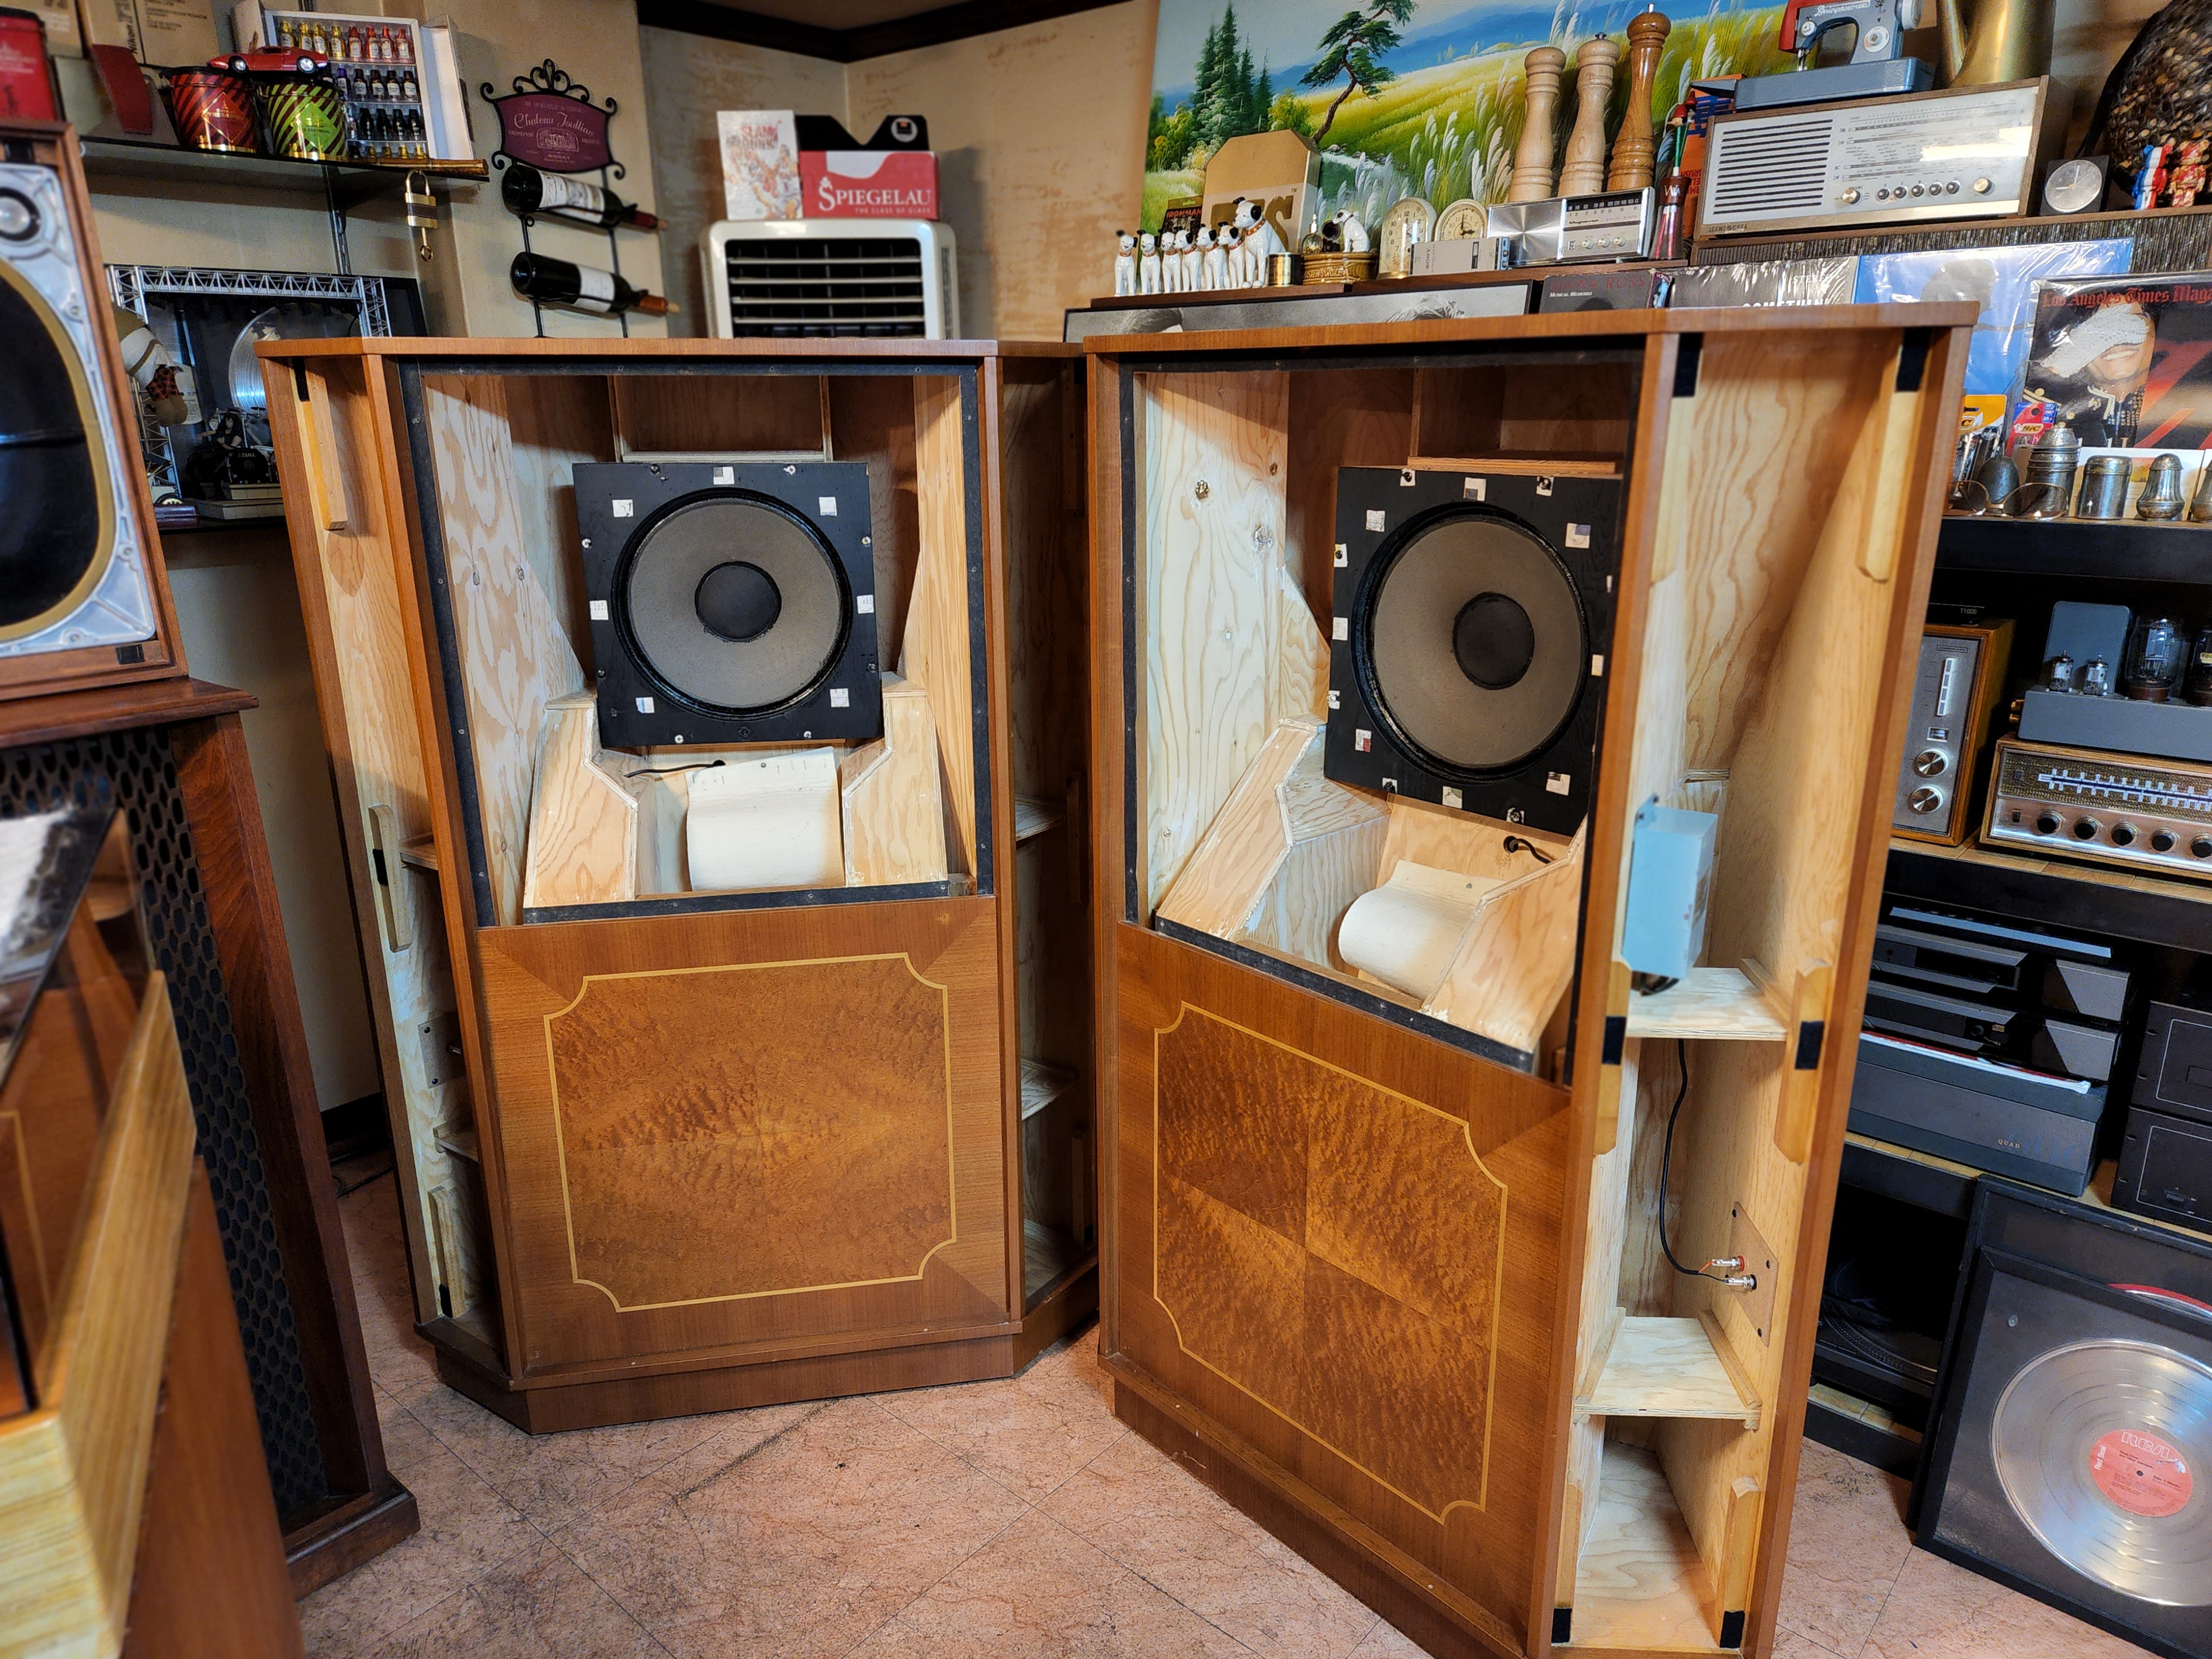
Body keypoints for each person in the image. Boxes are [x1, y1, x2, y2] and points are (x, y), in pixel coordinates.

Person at [2021, 300, 2155, 448]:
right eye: (2099, 327)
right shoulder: (2068, 401)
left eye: (2131, 321)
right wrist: (2059, 366)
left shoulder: (2171, 399)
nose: (2117, 341)